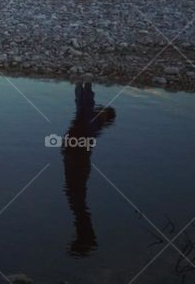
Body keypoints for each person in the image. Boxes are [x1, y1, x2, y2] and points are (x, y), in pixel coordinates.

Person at [62, 77, 116, 257]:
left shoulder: (93, 122)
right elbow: (84, 106)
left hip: (76, 162)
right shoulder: (93, 123)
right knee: (77, 201)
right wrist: (83, 86)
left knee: (76, 201)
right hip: (77, 162)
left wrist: (84, 86)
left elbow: (84, 106)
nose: (99, 110)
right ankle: (86, 237)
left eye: (102, 110)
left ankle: (86, 237)